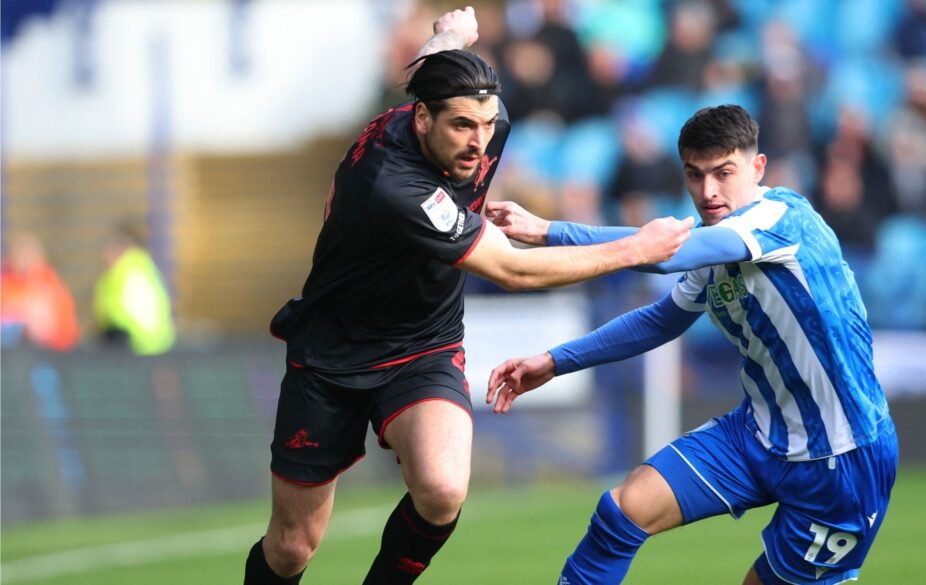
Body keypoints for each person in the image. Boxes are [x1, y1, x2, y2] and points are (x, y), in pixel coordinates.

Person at [243, 7, 693, 585]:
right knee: (292, 547)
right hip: (330, 357)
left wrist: (450, 34)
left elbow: (438, 64)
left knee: (443, 488)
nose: (480, 143)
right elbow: (513, 271)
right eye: (462, 127)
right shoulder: (394, 183)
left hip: (422, 347)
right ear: (422, 119)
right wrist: (636, 248)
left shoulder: (476, 113)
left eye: (486, 124)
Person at [486, 104, 898, 585]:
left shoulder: (781, 219)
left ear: (757, 167)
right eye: (694, 175)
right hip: (756, 435)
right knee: (623, 511)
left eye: (724, 173)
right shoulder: (716, 244)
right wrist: (555, 361)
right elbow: (660, 321)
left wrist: (548, 231)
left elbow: (662, 256)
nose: (708, 192)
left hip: (841, 458)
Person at [92, 224, 175, 355]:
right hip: (152, 346)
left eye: (109, 249)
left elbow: (123, 314)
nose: (104, 254)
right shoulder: (143, 269)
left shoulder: (126, 274)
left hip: (135, 346)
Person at [0, 232, 81, 351]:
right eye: (19, 254)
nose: (23, 259)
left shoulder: (50, 285)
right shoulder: (6, 284)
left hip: (47, 353)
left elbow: (66, 328)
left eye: (27, 254)